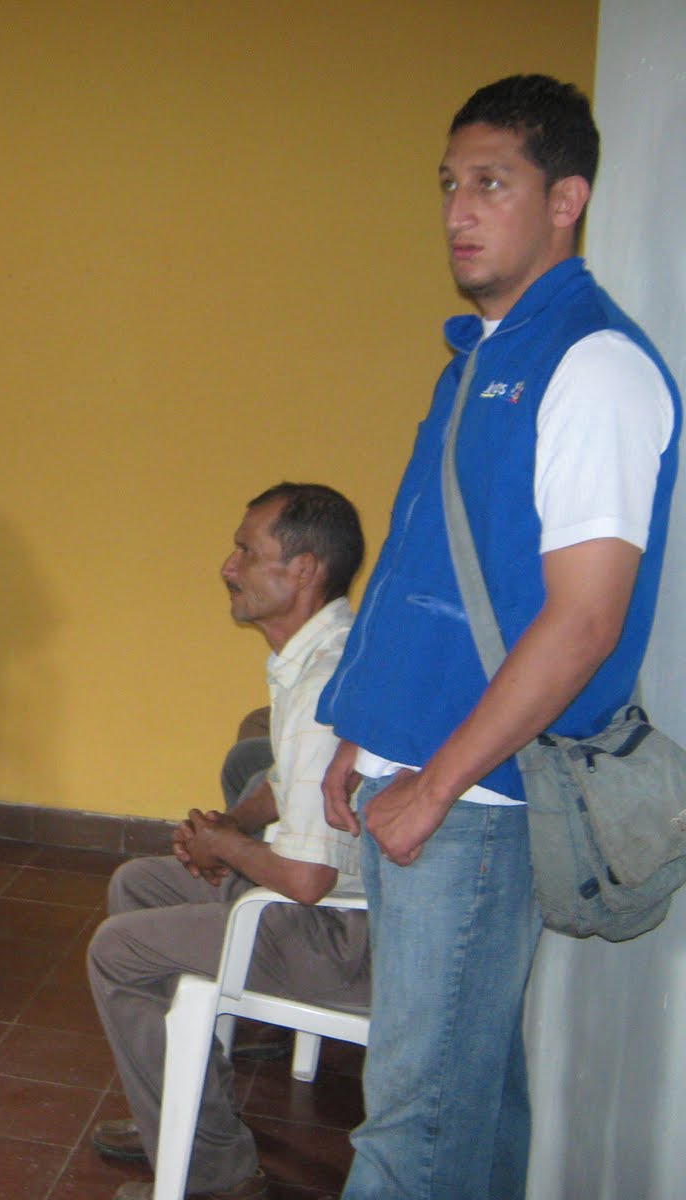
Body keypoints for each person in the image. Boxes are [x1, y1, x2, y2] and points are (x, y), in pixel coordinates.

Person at [317, 76, 680, 1200]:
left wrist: (431, 788)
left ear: (565, 200)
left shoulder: (593, 366)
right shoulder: (479, 358)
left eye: (491, 183)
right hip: (417, 775)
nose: (457, 211)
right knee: (468, 1105)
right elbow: (424, 573)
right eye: (447, 184)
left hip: (476, 799)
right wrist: (363, 734)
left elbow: (584, 623)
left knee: (410, 1130)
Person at [86, 484, 369, 1200]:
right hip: (323, 912)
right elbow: (285, 780)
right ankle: (181, 1110)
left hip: (342, 940)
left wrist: (226, 848)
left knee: (118, 951)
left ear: (302, 570)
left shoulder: (324, 681)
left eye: (247, 551)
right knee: (138, 885)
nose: (228, 566)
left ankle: (213, 1173)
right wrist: (233, 825)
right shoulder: (313, 653)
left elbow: (307, 880)